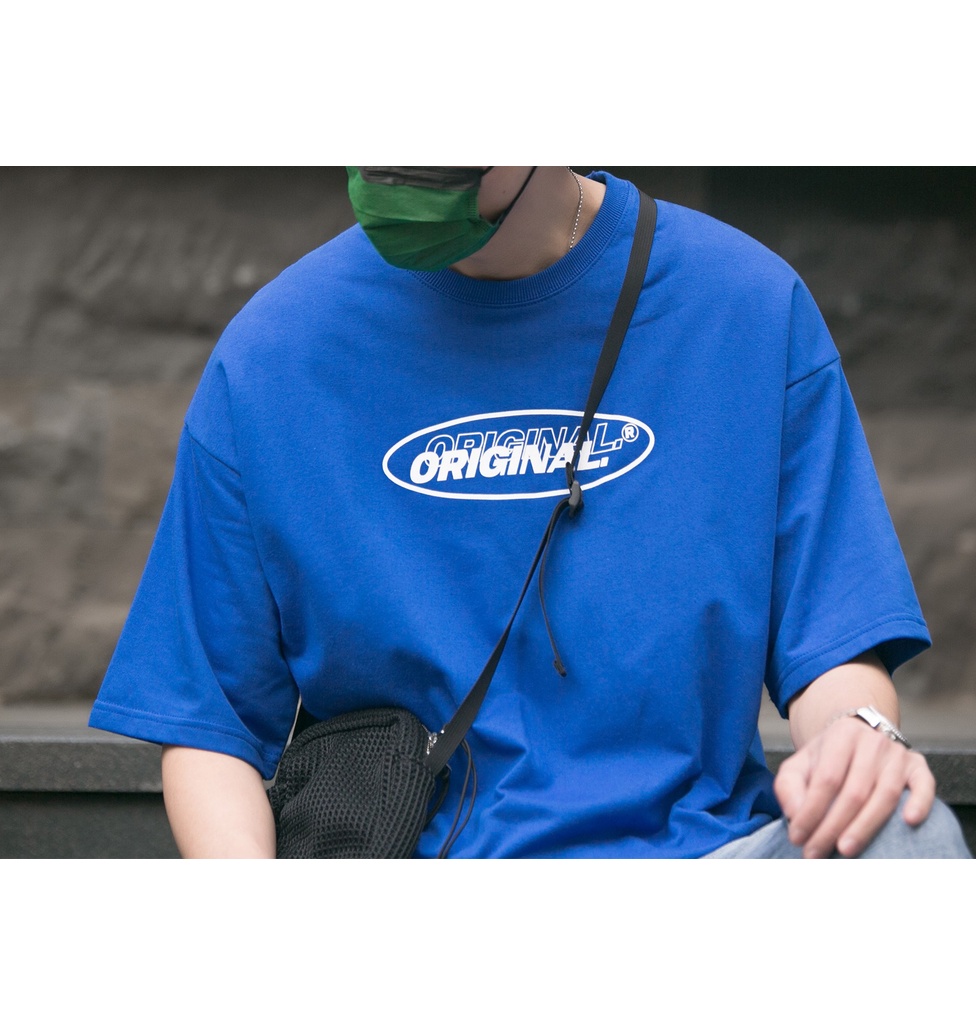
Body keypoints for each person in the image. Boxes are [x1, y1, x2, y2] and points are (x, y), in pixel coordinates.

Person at [89, 166, 971, 859]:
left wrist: (858, 737)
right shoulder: (271, 355)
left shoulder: (745, 307)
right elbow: (209, 726)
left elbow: (833, 648)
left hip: (705, 862)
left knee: (907, 833)